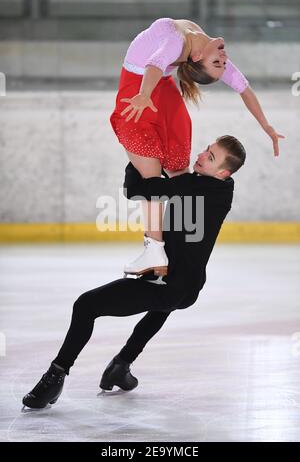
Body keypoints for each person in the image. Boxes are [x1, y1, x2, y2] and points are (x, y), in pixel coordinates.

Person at [22, 135, 246, 409]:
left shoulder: (197, 186)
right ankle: (121, 365)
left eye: (210, 158)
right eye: (206, 150)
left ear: (223, 172)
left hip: (167, 286)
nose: (201, 156)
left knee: (86, 305)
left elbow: (138, 191)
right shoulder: (222, 187)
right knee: (162, 309)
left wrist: (138, 157)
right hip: (185, 286)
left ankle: (55, 376)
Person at [110, 17, 284, 278]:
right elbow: (155, 65)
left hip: (147, 87)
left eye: (219, 63)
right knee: (157, 176)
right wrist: (145, 95)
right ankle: (160, 249)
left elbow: (156, 66)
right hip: (148, 87)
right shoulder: (189, 45)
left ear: (199, 56)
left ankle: (172, 247)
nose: (225, 60)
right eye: (221, 63)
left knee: (172, 174)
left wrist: (267, 126)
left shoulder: (183, 43)